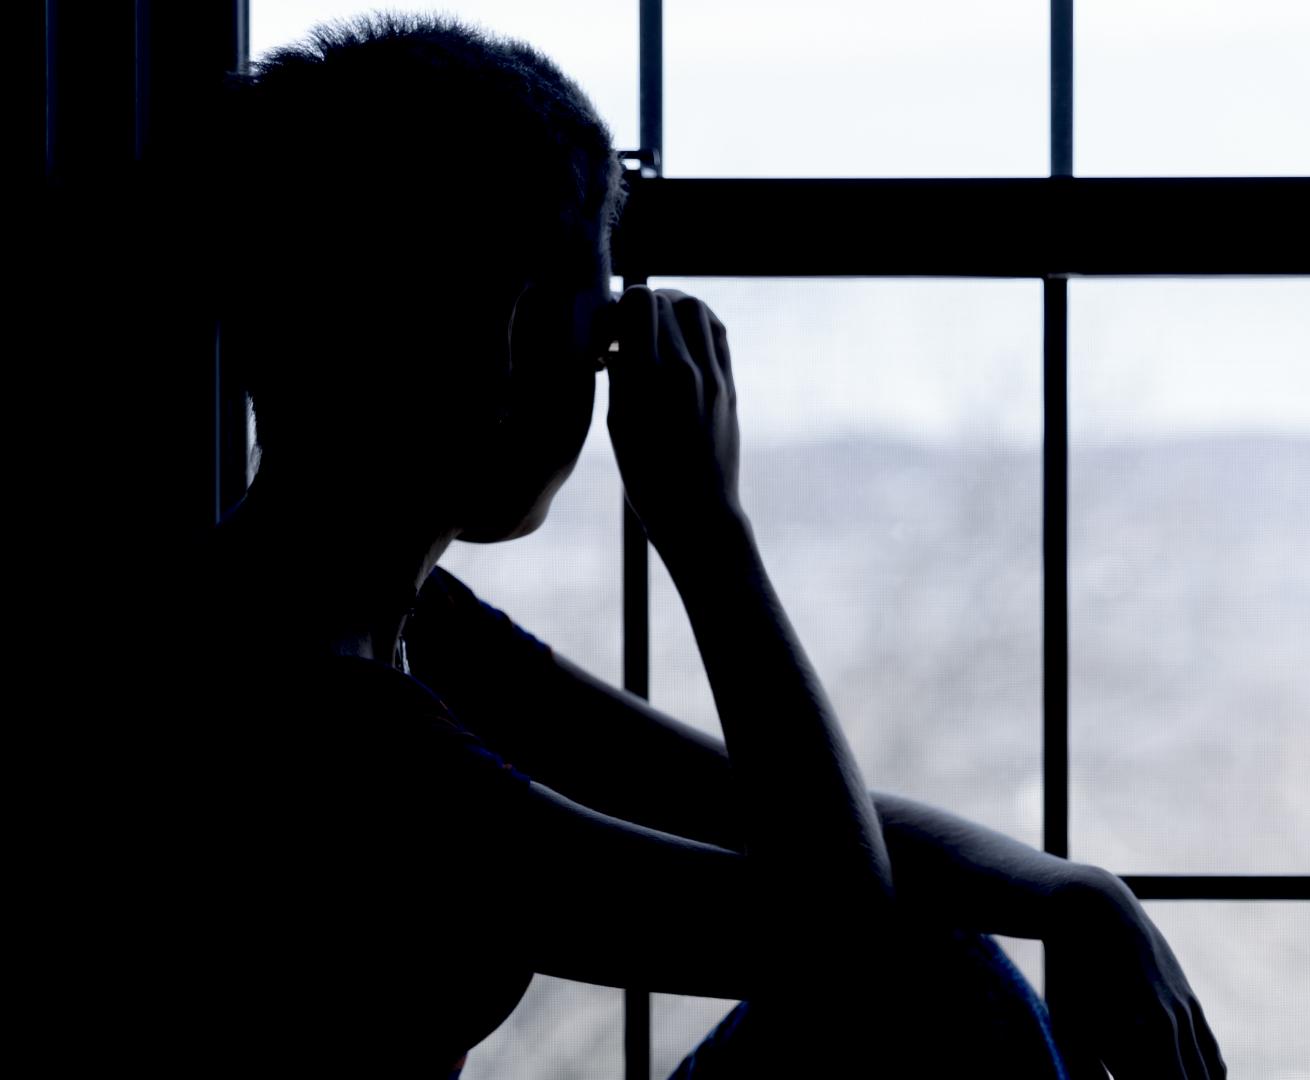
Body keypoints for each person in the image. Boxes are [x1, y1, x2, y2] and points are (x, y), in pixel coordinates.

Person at [180, 13, 1223, 1079]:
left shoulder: (374, 620)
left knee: (939, 955)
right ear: (518, 338)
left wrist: (1074, 895)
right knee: (927, 975)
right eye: (597, 340)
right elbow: (837, 935)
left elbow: (739, 803)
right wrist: (708, 534)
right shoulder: (324, 721)